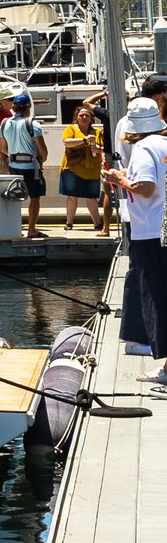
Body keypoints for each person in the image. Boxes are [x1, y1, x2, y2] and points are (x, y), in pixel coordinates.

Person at [108, 98, 167, 385]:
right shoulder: (164, 145)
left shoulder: (144, 148)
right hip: (163, 228)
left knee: (157, 295)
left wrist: (120, 180)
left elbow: (145, 187)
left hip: (152, 231)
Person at [0, 89, 49, 239]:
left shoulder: (4, 123)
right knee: (34, 198)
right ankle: (32, 229)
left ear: (13, 108)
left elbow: (2, 148)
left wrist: (14, 157)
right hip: (31, 168)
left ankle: (15, 228)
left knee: (15, 198)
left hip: (14, 166)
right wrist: (40, 160)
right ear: (28, 108)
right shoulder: (33, 124)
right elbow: (43, 151)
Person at [61, 96, 113, 230]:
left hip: (92, 168)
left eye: (87, 115)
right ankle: (69, 223)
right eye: (81, 115)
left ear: (91, 118)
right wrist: (85, 140)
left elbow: (104, 148)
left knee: (91, 197)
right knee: (72, 196)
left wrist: (98, 148)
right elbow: (66, 142)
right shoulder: (71, 129)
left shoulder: (98, 132)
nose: (84, 117)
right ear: (76, 117)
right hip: (72, 167)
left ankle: (97, 223)